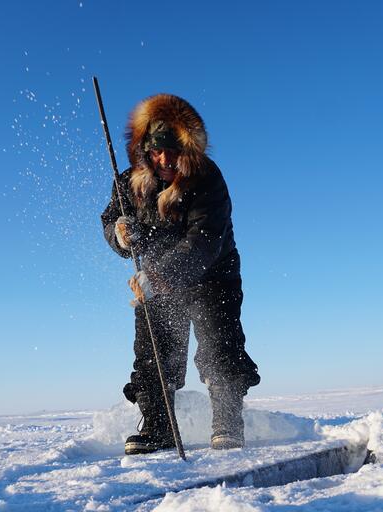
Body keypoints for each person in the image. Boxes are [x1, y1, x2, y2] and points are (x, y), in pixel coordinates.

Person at [101, 94, 260, 454]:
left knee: (220, 346)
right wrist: (121, 234)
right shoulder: (130, 182)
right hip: (155, 279)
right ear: (144, 150)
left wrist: (159, 278)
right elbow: (111, 220)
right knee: (153, 351)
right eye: (156, 152)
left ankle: (227, 423)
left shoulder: (207, 179)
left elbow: (203, 242)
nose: (164, 160)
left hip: (211, 274)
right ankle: (160, 428)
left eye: (172, 151)